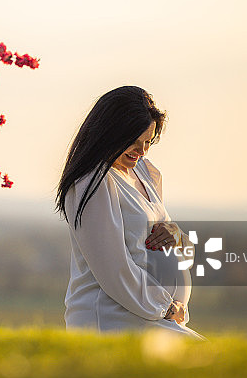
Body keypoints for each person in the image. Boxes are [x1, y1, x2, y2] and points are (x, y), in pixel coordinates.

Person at [56, 86, 204, 339]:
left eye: (148, 142)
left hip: (152, 314)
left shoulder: (145, 173)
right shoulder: (92, 183)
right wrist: (164, 306)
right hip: (113, 315)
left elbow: (176, 248)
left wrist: (177, 235)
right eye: (134, 143)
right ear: (109, 134)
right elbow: (114, 268)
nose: (142, 151)